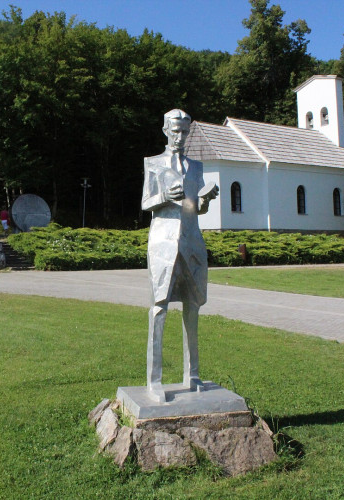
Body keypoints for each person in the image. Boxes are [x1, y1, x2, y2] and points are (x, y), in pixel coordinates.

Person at [141, 109, 218, 403]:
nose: (180, 137)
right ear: (165, 130)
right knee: (159, 309)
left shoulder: (196, 167)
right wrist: (164, 196)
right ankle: (154, 380)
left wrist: (204, 201)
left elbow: (193, 208)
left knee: (192, 309)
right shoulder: (154, 163)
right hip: (162, 243)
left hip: (192, 243)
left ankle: (193, 375)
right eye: (175, 131)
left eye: (184, 132)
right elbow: (146, 202)